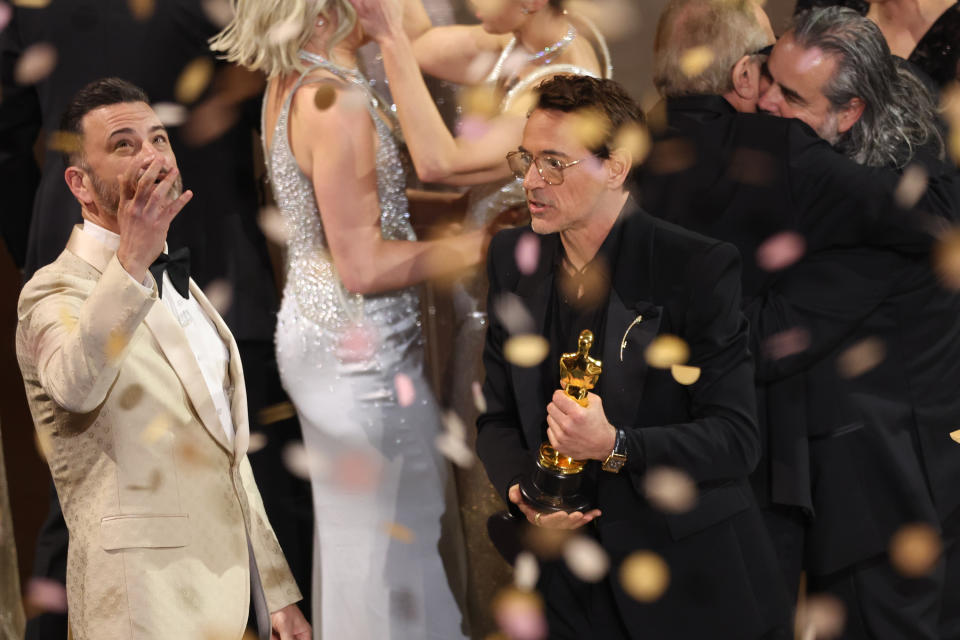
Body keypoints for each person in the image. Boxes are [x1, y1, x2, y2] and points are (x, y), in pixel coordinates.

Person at [0, 4, 315, 636]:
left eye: (159, 139)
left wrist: (275, 592)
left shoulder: (191, 293)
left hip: (224, 606)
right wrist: (133, 259)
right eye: (124, 145)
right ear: (80, 185)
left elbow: (229, 456)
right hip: (137, 610)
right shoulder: (50, 295)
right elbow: (76, 384)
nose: (153, 156)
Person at [210, 1, 499, 637]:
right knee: (389, 550)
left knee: (367, 550)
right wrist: (483, 245)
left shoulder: (296, 79)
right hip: (359, 354)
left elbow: (362, 208)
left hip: (326, 334)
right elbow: (363, 264)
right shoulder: (334, 100)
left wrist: (457, 209)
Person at [477, 74, 791, 639]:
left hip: (686, 581)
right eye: (526, 158)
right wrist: (522, 488)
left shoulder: (693, 267)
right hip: (566, 587)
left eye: (554, 162)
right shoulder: (511, 256)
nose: (530, 180)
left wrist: (615, 446)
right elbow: (496, 417)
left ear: (616, 168)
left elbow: (736, 439)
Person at [349, 0, 613, 629]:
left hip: (519, 329)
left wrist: (384, 35)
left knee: (495, 508)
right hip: (489, 309)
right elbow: (420, 36)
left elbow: (440, 162)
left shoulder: (559, 85)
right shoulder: (511, 42)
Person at [749, 7, 960, 637]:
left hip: (886, 500)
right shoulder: (893, 117)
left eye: (789, 96)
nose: (765, 104)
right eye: (766, 76)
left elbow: (770, 341)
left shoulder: (876, 221)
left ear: (851, 112)